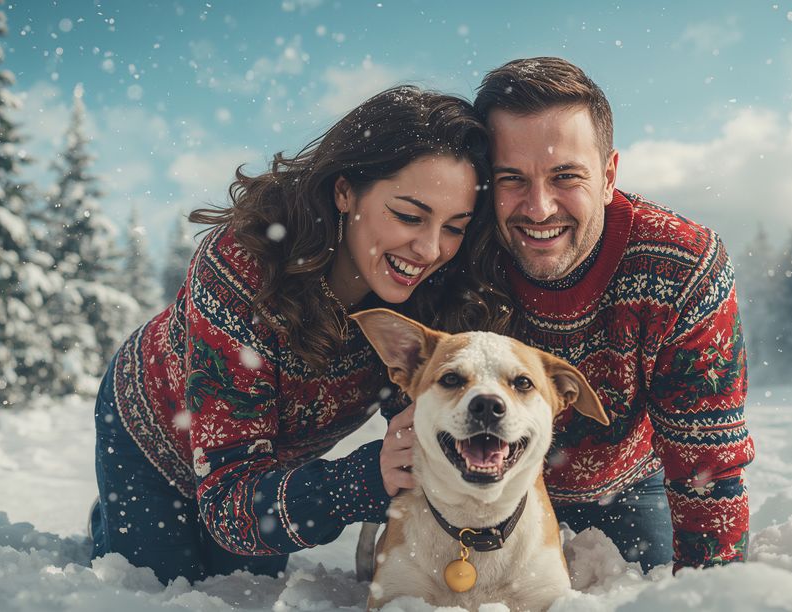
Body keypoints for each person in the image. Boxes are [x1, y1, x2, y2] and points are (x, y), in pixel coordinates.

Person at [89, 86, 508, 584]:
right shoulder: (244, 272)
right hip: (154, 431)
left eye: (454, 226)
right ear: (344, 190)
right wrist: (359, 481)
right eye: (409, 216)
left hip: (267, 464)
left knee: (243, 587)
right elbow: (230, 511)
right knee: (161, 585)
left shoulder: (434, 295)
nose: (429, 248)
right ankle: (114, 523)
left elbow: (425, 426)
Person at [471, 57, 755, 573]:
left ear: (607, 176)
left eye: (565, 177)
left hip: (623, 487)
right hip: (480, 485)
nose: (538, 208)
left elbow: (707, 460)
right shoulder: (457, 252)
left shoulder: (683, 266)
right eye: (512, 179)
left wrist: (711, 593)